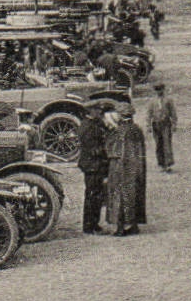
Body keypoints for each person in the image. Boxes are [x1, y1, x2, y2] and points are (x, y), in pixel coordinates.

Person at [105, 102, 147, 236]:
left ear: (120, 115)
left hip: (121, 168)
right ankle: (133, 225)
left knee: (119, 197)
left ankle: (120, 227)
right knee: (134, 194)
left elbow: (115, 151)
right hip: (136, 167)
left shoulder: (120, 131)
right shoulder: (136, 129)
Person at [76, 102, 112, 234]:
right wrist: (106, 150)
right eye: (97, 110)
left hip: (97, 165)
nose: (99, 112)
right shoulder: (86, 127)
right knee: (92, 196)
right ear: (90, 111)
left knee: (97, 195)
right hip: (92, 165)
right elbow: (92, 149)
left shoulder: (96, 123)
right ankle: (88, 226)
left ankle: (95, 224)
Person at [146, 83, 177, 173]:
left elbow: (173, 113)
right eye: (157, 90)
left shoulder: (168, 100)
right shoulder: (152, 102)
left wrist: (174, 124)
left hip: (166, 123)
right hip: (156, 124)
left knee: (167, 143)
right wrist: (148, 126)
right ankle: (161, 164)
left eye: (160, 90)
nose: (159, 92)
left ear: (163, 90)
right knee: (158, 144)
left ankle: (168, 164)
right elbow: (149, 114)